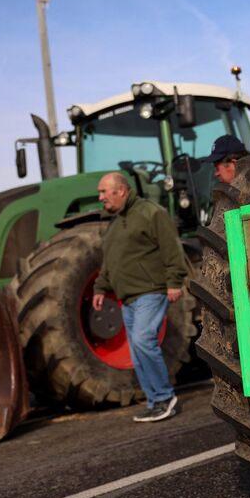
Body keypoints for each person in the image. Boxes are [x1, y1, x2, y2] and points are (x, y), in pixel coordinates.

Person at [92, 172, 187, 423]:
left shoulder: (150, 213)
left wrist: (175, 281)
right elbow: (109, 262)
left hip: (151, 291)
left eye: (104, 192)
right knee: (136, 351)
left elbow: (172, 248)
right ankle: (155, 401)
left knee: (144, 340)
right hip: (129, 297)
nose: (100, 197)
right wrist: (100, 288)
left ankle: (166, 398)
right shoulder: (114, 225)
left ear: (121, 190)